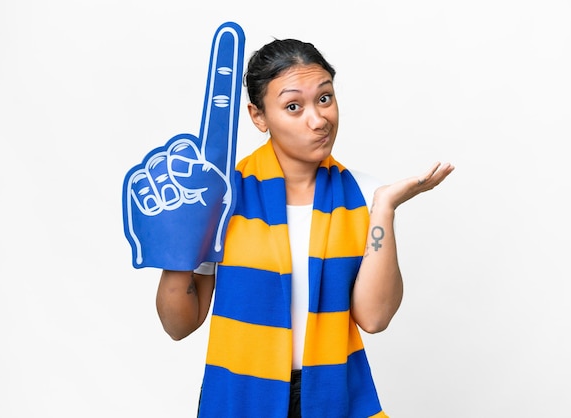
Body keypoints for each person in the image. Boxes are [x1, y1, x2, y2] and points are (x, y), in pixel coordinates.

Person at [156, 38, 454, 418]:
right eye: (293, 106)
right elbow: (179, 324)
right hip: (241, 396)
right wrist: (175, 243)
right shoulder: (222, 197)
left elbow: (375, 318)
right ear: (258, 116)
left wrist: (384, 208)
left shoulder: (362, 194)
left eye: (325, 98)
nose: (318, 120)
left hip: (334, 396)